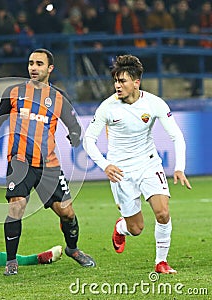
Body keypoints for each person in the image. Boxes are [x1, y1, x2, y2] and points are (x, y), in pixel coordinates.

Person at [0, 48, 96, 276]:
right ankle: (11, 261)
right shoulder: (14, 92)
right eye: (31, 63)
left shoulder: (59, 98)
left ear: (49, 68)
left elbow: (73, 123)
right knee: (16, 206)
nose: (33, 67)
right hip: (19, 161)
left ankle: (72, 249)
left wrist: (76, 136)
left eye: (39, 64)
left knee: (67, 213)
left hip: (48, 165)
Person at [83, 54, 192, 274]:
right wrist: (105, 165)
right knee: (136, 228)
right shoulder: (107, 107)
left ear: (136, 82)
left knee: (162, 213)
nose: (117, 86)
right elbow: (88, 139)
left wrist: (179, 167)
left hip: (149, 164)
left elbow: (177, 136)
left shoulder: (154, 103)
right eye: (115, 81)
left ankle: (161, 262)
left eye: (122, 81)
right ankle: (120, 227)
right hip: (121, 172)